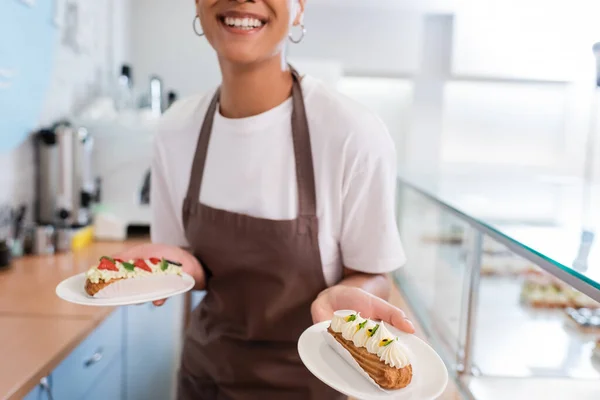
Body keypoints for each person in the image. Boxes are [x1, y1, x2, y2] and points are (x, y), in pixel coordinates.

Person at [117, 0, 415, 398]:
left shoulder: (352, 134)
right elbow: (192, 262)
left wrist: (346, 295)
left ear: (299, 9)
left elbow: (375, 273)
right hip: (207, 380)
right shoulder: (175, 130)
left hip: (314, 386)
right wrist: (172, 266)